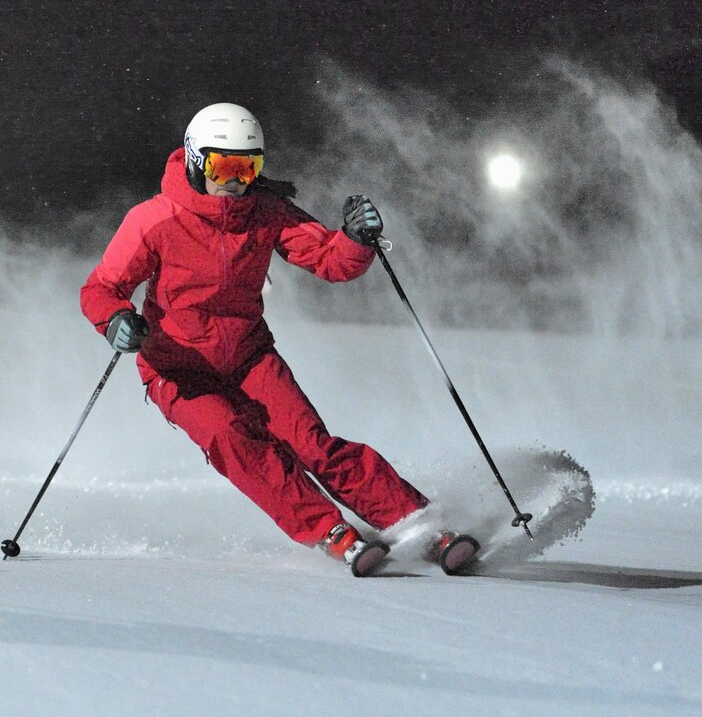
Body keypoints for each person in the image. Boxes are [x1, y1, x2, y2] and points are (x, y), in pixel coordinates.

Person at [79, 103, 473, 576]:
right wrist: (116, 320)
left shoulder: (264, 212)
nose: (235, 181)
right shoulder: (154, 220)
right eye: (224, 167)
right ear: (196, 160)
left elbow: (327, 258)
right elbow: (101, 288)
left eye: (248, 168)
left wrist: (354, 239)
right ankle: (329, 530)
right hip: (178, 368)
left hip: (249, 358)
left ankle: (418, 525)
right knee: (233, 438)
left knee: (312, 444)